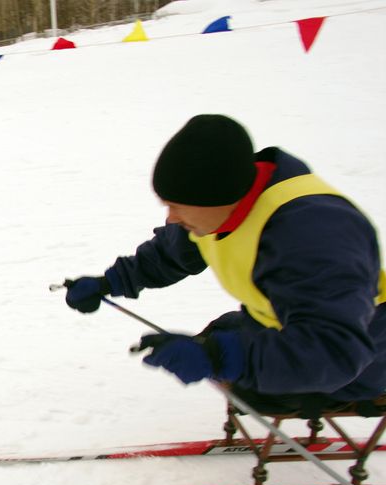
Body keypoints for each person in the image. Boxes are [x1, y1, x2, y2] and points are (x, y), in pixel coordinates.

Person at [64, 114, 386, 413]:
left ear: (220, 197)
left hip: (364, 353)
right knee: (220, 335)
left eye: (177, 206)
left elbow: (335, 351)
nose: (171, 217)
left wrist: (219, 357)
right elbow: (168, 254)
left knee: (248, 386)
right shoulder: (214, 209)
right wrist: (109, 283)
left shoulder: (315, 236)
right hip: (287, 324)